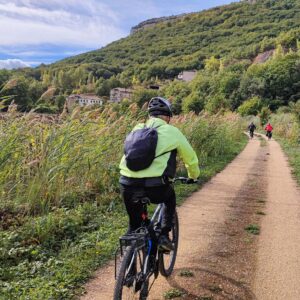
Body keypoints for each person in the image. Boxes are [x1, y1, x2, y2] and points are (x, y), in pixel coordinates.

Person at [119, 97, 200, 251]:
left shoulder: (137, 128)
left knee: (135, 224)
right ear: (168, 117)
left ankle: (129, 269)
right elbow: (191, 158)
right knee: (169, 198)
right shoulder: (172, 131)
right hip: (156, 187)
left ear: (150, 115)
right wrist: (193, 176)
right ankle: (163, 235)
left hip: (127, 185)